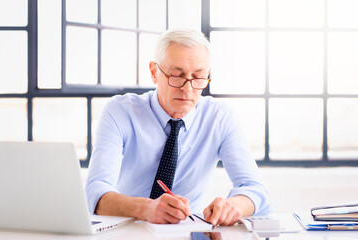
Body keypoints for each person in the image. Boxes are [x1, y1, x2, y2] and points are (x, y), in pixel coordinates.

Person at [85, 28, 271, 226]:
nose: (187, 88)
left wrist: (235, 206)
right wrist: (146, 208)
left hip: (187, 231)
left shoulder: (220, 118)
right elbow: (96, 192)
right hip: (128, 228)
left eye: (198, 77)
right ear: (154, 72)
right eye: (176, 75)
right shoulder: (121, 112)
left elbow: (255, 190)